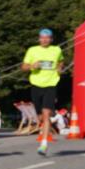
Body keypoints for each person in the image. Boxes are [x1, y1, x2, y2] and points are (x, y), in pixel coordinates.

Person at [22, 28, 64, 156]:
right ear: (39, 38)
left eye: (47, 38)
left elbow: (61, 61)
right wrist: (31, 66)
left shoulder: (57, 50)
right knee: (40, 116)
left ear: (51, 39)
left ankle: (44, 144)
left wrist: (59, 68)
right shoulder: (32, 50)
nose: (45, 40)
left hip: (51, 84)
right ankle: (44, 131)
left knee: (46, 114)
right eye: (42, 37)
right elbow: (23, 67)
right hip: (36, 84)